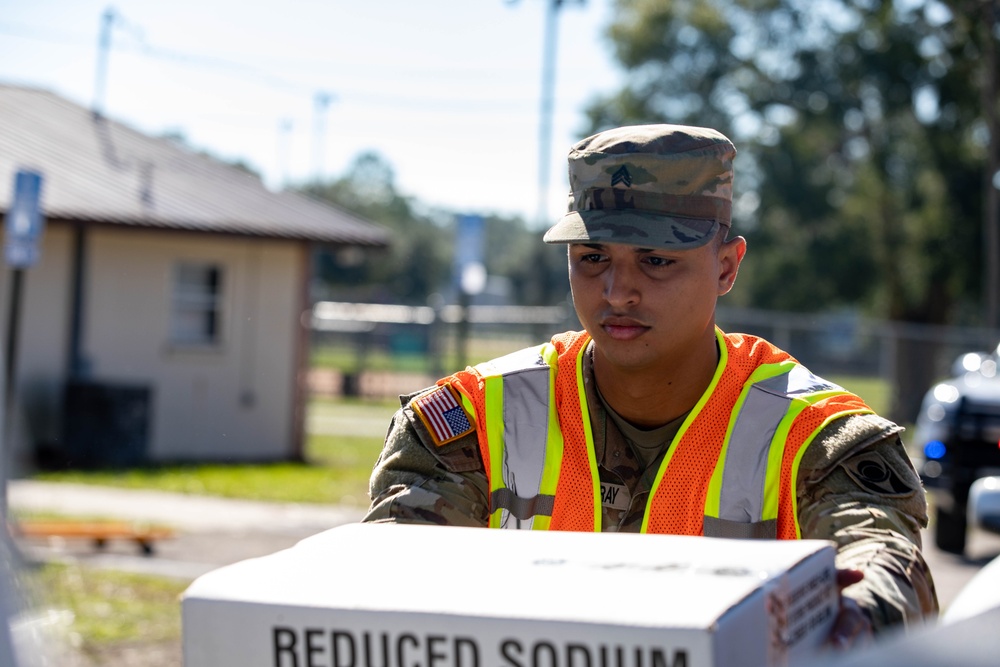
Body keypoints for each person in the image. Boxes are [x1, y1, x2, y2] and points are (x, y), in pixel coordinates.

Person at [363, 124, 938, 646]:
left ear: (726, 267)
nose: (617, 291)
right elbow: (383, 586)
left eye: (656, 260)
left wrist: (858, 615)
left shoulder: (818, 436)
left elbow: (883, 560)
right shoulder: (472, 418)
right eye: (592, 257)